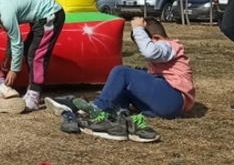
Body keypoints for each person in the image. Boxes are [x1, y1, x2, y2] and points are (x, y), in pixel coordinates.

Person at [64, 17, 194, 143]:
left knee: (122, 72)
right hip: (161, 105)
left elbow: (150, 52)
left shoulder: (169, 46)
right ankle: (117, 112)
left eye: (145, 42)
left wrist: (138, 28)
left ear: (156, 38)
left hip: (172, 98)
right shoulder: (165, 54)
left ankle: (97, 108)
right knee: (126, 85)